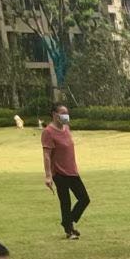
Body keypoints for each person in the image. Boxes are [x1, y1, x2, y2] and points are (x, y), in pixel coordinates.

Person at [42, 101, 89, 239]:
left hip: (72, 170)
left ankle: (67, 221)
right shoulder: (48, 132)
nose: (66, 116)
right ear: (54, 115)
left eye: (67, 113)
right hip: (59, 173)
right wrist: (48, 176)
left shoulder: (66, 128)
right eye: (63, 113)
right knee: (65, 202)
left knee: (84, 199)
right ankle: (69, 231)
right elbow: (46, 155)